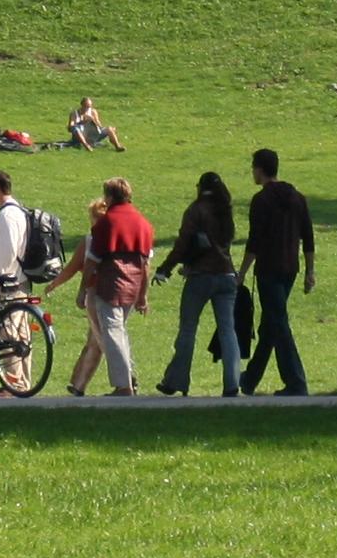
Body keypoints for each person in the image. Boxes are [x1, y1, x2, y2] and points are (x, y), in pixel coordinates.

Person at [157, 170, 245, 394]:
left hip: (200, 276)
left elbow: (183, 244)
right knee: (228, 330)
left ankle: (177, 382)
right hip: (226, 274)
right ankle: (232, 383)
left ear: (200, 187)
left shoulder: (196, 210)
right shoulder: (225, 210)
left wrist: (165, 269)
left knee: (188, 330)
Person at [64, 177, 151, 398]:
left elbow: (92, 260)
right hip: (133, 285)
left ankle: (124, 386)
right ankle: (124, 380)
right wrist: (143, 295)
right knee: (118, 332)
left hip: (109, 286)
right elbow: (146, 265)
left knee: (112, 334)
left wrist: (83, 289)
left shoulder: (106, 223)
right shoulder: (142, 223)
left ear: (109, 197)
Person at [239, 148, 314, 395]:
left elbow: (255, 242)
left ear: (260, 169)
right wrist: (309, 272)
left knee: (278, 323)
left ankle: (296, 382)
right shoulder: (298, 198)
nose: (253, 172)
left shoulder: (261, 200)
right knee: (271, 323)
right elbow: (308, 238)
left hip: (269, 269)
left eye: (253, 167)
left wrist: (241, 273)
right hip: (291, 268)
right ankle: (250, 379)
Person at [0, 168, 37, 393]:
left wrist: (1, 275)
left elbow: (10, 247)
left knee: (10, 334)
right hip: (20, 279)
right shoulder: (16, 211)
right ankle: (21, 383)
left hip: (11, 281)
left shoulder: (7, 214)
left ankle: (13, 383)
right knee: (21, 334)